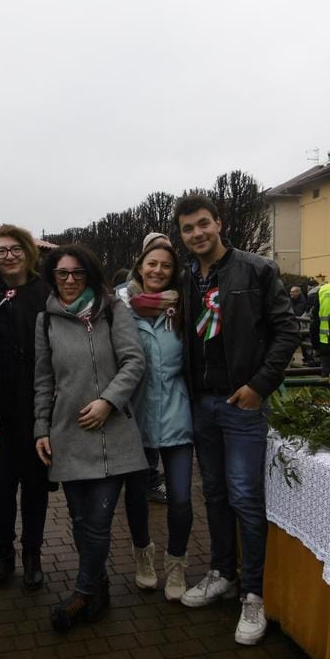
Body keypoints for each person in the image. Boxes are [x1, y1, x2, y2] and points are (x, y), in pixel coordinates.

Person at [175, 194, 300, 645]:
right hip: (202, 403)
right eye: (188, 229)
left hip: (241, 403)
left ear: (219, 223)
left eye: (203, 224)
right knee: (214, 493)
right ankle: (223, 572)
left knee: (246, 496)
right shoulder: (186, 278)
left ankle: (254, 592)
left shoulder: (256, 269)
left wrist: (260, 385)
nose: (197, 234)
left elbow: (286, 330)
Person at [34, 244, 147, 632]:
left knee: (98, 521)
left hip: (111, 433)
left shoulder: (113, 310)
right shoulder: (46, 321)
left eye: (77, 273)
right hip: (67, 435)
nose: (69, 280)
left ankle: (82, 594)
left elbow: (134, 361)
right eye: (61, 273)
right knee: (80, 520)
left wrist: (108, 402)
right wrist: (40, 428)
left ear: (90, 275)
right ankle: (99, 589)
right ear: (52, 277)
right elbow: (43, 379)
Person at [0, 225, 51, 590]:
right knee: (0, 487)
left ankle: (32, 554)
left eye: (15, 249)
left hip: (35, 406)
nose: (8, 256)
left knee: (36, 485)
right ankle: (2, 554)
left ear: (27, 252)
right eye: (1, 251)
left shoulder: (45, 292)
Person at [124, 241, 195, 600]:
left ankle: (177, 564)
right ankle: (143, 556)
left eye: (166, 266)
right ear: (140, 267)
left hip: (176, 415)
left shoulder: (183, 310)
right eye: (152, 263)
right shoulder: (122, 310)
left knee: (180, 498)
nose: (158, 271)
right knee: (136, 494)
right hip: (134, 418)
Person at [115, 231, 173, 507]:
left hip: (163, 383)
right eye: (153, 257)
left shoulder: (177, 297)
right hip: (132, 380)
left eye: (166, 256)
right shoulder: (122, 295)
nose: (158, 268)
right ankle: (137, 483)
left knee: (153, 437)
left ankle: (149, 480)